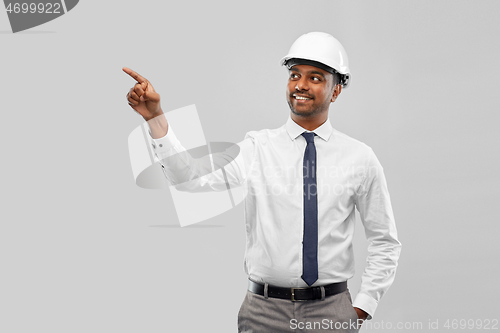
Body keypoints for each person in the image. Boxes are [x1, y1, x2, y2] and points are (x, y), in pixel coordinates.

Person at [124, 32, 401, 332]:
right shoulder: (256, 148)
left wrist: (361, 308)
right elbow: (190, 178)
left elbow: (384, 240)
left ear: (336, 91)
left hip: (331, 311)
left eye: (316, 78)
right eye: (295, 75)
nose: (301, 85)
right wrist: (156, 118)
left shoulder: (360, 158)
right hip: (263, 314)